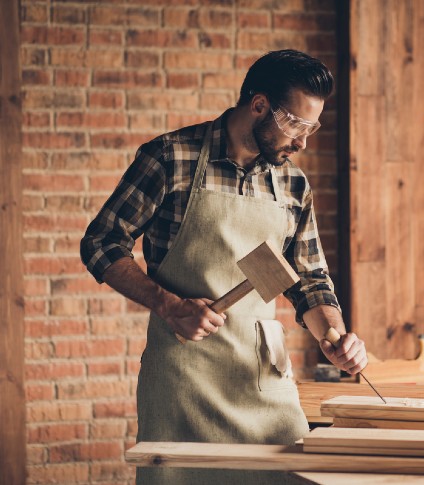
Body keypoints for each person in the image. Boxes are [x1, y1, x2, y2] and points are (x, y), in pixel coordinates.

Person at [80, 49, 368, 484]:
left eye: (312, 128)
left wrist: (333, 335)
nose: (303, 142)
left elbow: (310, 280)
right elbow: (102, 242)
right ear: (259, 106)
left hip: (261, 382)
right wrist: (170, 305)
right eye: (295, 124)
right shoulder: (170, 157)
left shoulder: (292, 183)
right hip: (183, 380)